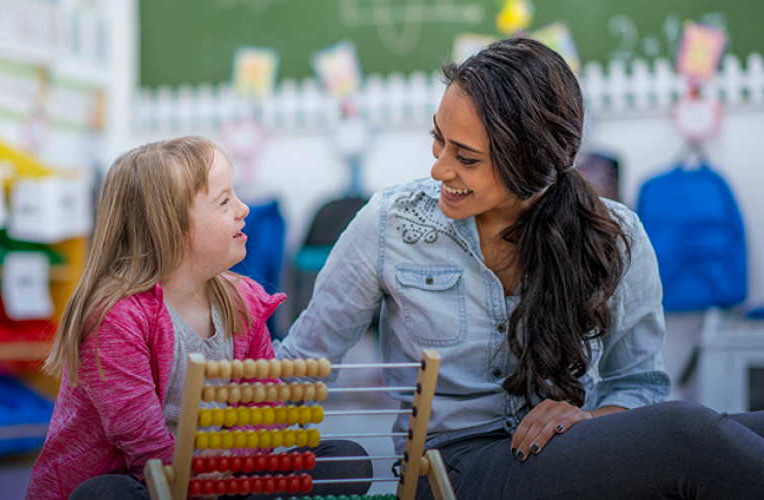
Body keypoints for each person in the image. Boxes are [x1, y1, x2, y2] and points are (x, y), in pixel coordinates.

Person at [275, 38, 764, 499]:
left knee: (746, 428)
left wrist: (591, 421)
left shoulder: (617, 235)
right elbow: (303, 362)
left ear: (530, 166)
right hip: (447, 469)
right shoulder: (390, 225)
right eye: (437, 140)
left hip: (558, 454)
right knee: (689, 437)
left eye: (465, 157)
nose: (439, 169)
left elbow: (639, 384)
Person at [26, 137, 371, 500]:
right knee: (105, 493)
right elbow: (144, 447)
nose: (243, 209)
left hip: (219, 478)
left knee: (348, 461)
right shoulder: (116, 318)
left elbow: (263, 410)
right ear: (169, 227)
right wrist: (199, 479)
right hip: (145, 481)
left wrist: (222, 466)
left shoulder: (245, 302)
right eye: (224, 202)